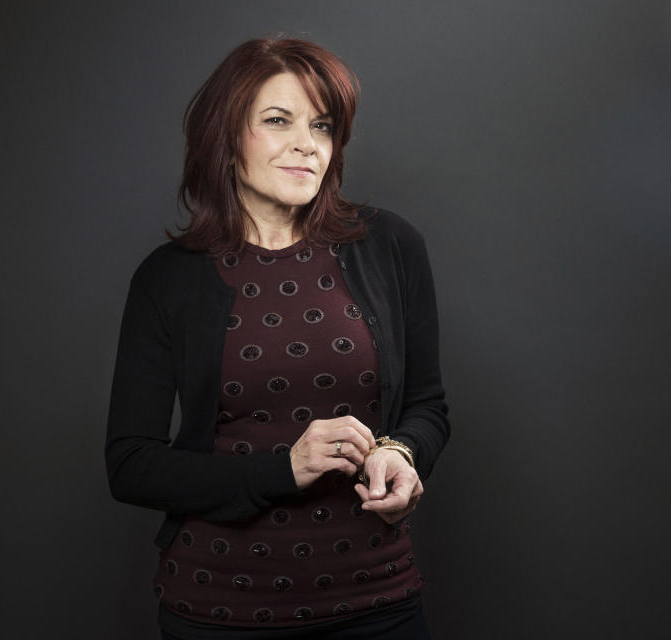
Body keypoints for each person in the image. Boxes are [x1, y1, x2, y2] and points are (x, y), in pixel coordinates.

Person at [106, 37, 450, 639]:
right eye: (276, 120)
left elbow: (428, 406)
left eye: (321, 126)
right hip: (221, 611)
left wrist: (401, 452)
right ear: (226, 137)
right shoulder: (168, 278)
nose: (306, 144)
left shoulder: (391, 247)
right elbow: (131, 464)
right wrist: (283, 469)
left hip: (378, 603)